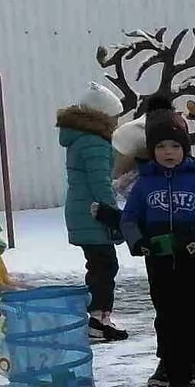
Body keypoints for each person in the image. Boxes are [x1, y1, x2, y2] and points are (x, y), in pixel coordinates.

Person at [118, 107, 195, 387]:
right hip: (161, 267)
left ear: (185, 149)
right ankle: (178, 380)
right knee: (170, 324)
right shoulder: (144, 185)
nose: (168, 152)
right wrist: (139, 242)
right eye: (161, 146)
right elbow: (128, 220)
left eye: (175, 146)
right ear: (152, 150)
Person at [57, 79, 127, 341]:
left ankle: (99, 317)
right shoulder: (94, 143)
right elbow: (100, 183)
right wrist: (112, 215)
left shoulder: (80, 139)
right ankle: (99, 319)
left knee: (98, 265)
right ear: (102, 116)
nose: (117, 122)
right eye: (115, 116)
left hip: (82, 211)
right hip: (93, 213)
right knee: (104, 266)